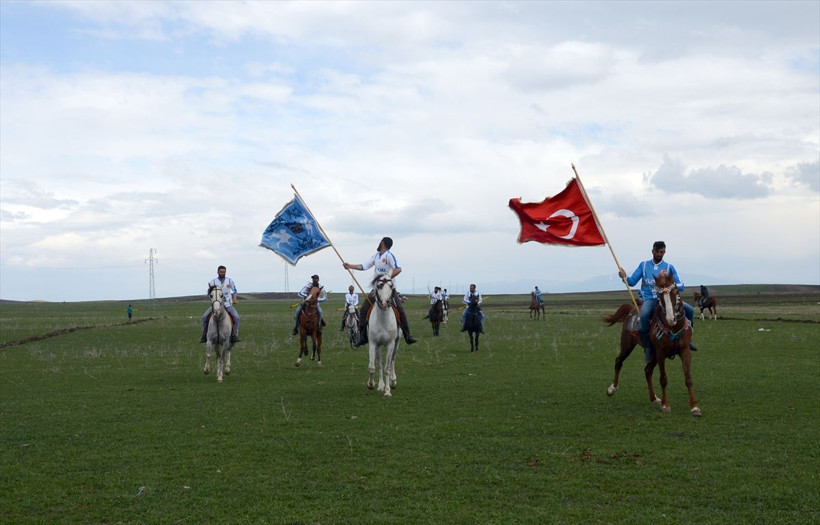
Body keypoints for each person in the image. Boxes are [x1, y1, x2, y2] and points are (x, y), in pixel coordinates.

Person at [617, 241, 697, 361]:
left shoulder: (669, 267)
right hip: (649, 299)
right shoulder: (644, 265)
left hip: (666, 299)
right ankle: (648, 347)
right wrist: (624, 276)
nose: (659, 254)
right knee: (644, 315)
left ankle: (688, 339)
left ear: (664, 252)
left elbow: (681, 285)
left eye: (661, 252)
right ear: (652, 251)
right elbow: (632, 282)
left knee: (690, 310)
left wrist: (671, 286)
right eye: (657, 251)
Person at [342, 236, 418, 346]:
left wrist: (387, 279)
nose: (379, 243)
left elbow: (398, 269)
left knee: (400, 309)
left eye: (380, 242)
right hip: (376, 289)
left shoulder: (389, 256)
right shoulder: (376, 256)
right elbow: (364, 266)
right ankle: (363, 337)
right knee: (363, 310)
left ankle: (407, 335)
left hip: (389, 290)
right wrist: (350, 266)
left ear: (383, 243)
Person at [200, 265, 241, 343]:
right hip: (216, 305)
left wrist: (234, 298)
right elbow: (209, 293)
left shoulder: (229, 281)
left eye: (224, 272)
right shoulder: (213, 282)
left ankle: (234, 335)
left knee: (236, 317)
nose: (222, 273)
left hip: (228, 304)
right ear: (218, 272)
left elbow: (235, 291)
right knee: (204, 317)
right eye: (221, 272)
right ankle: (204, 335)